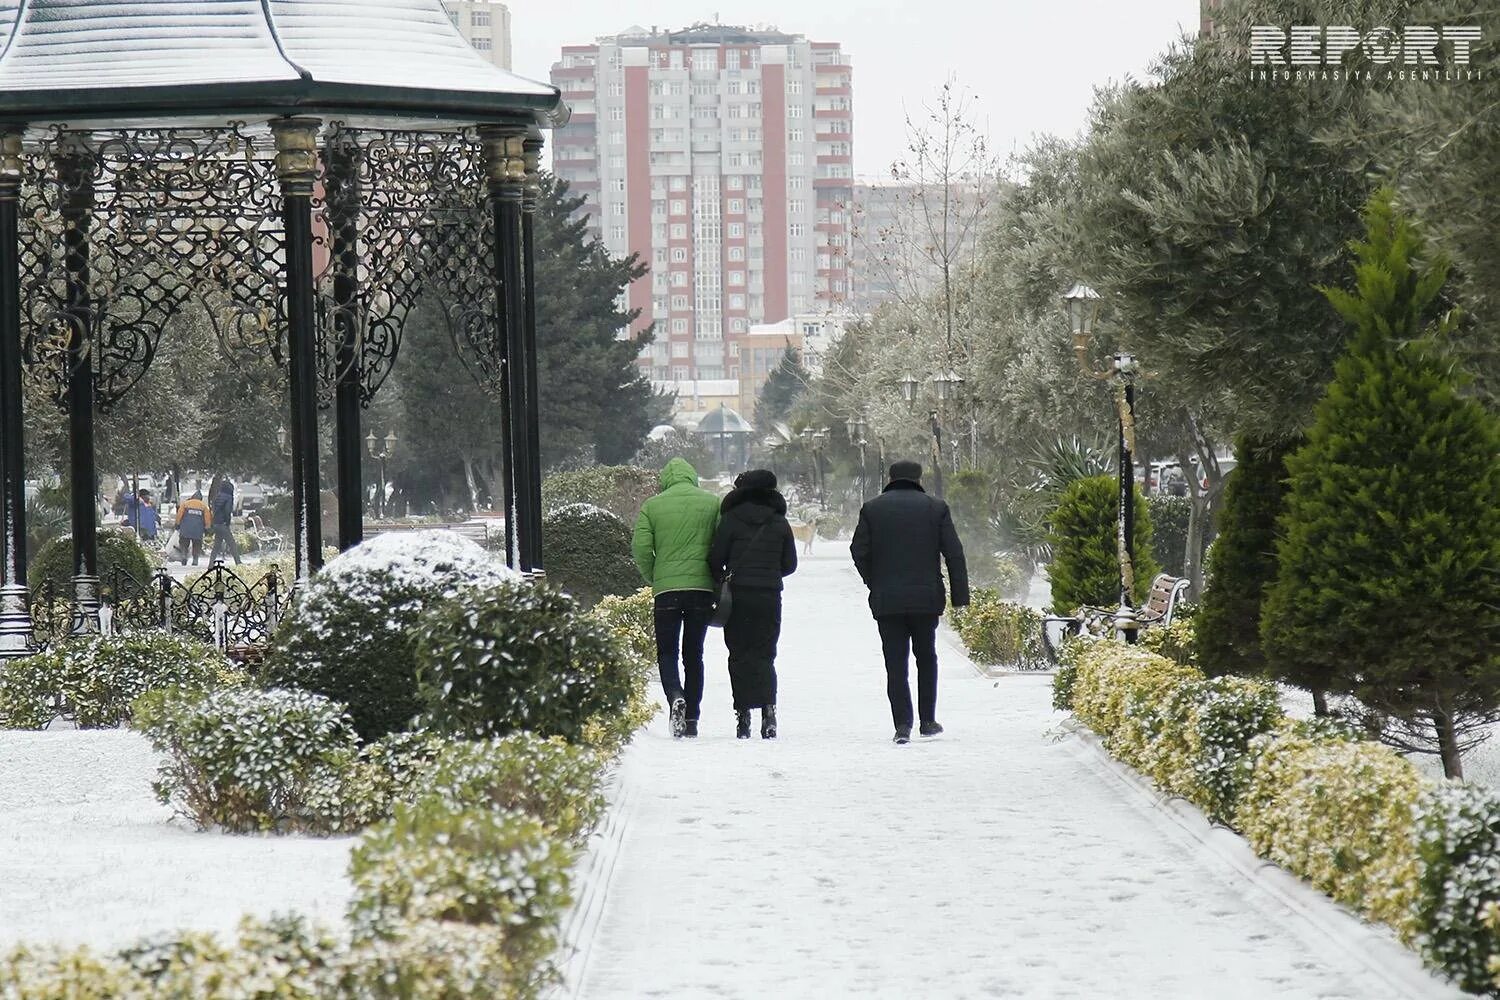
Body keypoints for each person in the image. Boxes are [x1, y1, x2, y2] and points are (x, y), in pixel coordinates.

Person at [850, 460, 969, 744]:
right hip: (926, 597)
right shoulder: (935, 507)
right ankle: (927, 720)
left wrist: (873, 580)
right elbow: (954, 553)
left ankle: (902, 724)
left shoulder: (873, 508)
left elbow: (858, 550)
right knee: (926, 656)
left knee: (895, 660)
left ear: (891, 478)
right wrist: (960, 597)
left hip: (887, 598)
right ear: (919, 478)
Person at [632, 458, 721, 739]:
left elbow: (641, 548)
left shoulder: (652, 506)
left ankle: (675, 696)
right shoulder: (711, 503)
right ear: (692, 477)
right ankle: (692, 717)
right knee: (694, 654)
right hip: (701, 590)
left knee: (667, 652)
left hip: (666, 592)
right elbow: (721, 544)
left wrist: (656, 577)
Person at [709, 469, 797, 740]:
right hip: (769, 596)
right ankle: (769, 712)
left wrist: (723, 577)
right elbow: (790, 564)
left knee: (738, 654)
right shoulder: (780, 523)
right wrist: (768, 574)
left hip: (738, 597)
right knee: (765, 653)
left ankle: (743, 715)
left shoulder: (731, 520)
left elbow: (714, 559)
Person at [209, 478, 242, 565]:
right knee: (232, 544)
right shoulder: (229, 497)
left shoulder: (217, 496)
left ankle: (210, 564)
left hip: (216, 523)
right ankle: (238, 563)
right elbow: (227, 511)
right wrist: (227, 522)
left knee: (216, 546)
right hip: (223, 524)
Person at [176, 489, 211, 566]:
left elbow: (179, 515)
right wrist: (207, 528)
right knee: (197, 544)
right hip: (198, 530)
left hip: (185, 528)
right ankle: (195, 559)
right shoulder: (204, 506)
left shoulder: (185, 504)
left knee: (184, 543)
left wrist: (177, 524)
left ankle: (184, 555)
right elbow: (207, 519)